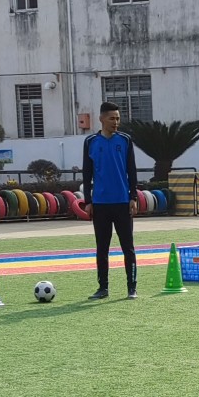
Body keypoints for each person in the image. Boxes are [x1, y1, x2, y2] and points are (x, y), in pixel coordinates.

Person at [82, 101, 139, 299]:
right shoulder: (90, 142)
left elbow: (131, 170)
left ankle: (132, 288)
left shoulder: (125, 140)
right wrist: (88, 201)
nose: (116, 122)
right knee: (102, 249)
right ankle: (103, 288)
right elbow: (87, 173)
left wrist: (133, 196)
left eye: (118, 118)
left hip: (122, 202)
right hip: (100, 204)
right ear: (101, 119)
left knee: (128, 248)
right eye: (112, 118)